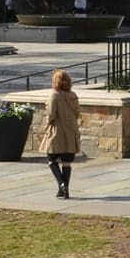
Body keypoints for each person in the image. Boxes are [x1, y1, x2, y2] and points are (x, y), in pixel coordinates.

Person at [41, 69, 81, 200]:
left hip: (57, 131)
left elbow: (51, 115)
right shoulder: (73, 95)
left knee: (51, 159)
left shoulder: (54, 95)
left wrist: (46, 125)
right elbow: (77, 113)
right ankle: (65, 190)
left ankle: (61, 184)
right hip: (71, 131)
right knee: (67, 161)